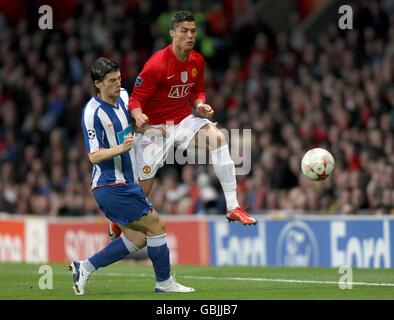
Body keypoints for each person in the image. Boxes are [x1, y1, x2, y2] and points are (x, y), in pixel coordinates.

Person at [109, 11, 256, 240]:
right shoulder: (156, 64)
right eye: (184, 31)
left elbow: (197, 90)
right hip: (154, 129)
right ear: (172, 34)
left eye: (193, 31)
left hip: (182, 120)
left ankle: (232, 207)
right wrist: (137, 115)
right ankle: (119, 219)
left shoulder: (197, 60)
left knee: (218, 138)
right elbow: (136, 99)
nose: (190, 36)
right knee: (142, 191)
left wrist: (200, 105)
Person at [70, 57, 194, 295]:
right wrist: (121, 149)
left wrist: (153, 129)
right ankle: (164, 283)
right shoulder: (92, 113)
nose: (118, 84)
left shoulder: (125, 97)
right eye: (112, 81)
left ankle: (84, 267)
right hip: (110, 184)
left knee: (137, 239)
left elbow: (132, 127)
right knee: (156, 225)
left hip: (126, 182)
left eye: (119, 78)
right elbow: (93, 156)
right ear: (98, 84)